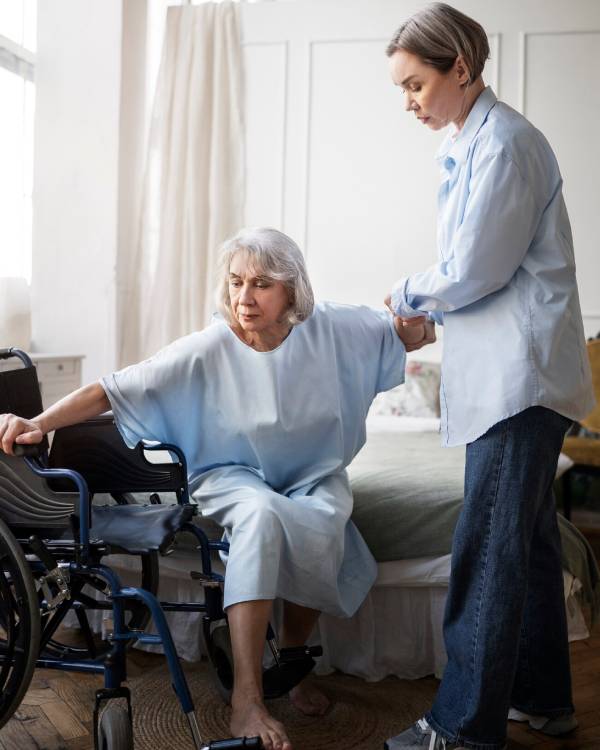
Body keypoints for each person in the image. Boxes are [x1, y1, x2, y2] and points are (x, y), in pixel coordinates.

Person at [0, 226, 434, 750]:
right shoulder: (211, 345)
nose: (243, 298)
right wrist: (39, 423)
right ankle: (246, 697)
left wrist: (421, 325)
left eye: (261, 285)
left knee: (326, 518)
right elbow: (111, 389)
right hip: (231, 473)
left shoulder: (335, 327)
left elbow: (405, 333)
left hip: (312, 473)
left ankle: (291, 663)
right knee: (260, 516)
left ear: (292, 290)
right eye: (235, 282)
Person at [382, 4, 595, 750]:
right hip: (518, 378)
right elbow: (489, 276)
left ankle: (462, 728)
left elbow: (474, 268)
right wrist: (431, 312)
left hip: (519, 385)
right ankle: (543, 701)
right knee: (529, 546)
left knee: (487, 550)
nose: (408, 101)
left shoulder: (503, 144)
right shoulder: (482, 145)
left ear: (460, 70)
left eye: (415, 85)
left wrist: (406, 296)